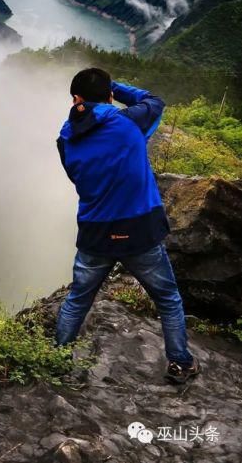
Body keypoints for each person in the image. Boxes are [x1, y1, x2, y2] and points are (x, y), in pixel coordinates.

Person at [55, 67, 200, 384]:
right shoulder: (130, 122)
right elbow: (155, 100)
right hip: (140, 231)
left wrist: (96, 95)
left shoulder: (65, 141)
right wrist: (115, 88)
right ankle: (180, 363)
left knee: (78, 300)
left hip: (95, 233)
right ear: (108, 96)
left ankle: (56, 361)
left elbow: (76, 177)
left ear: (76, 99)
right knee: (168, 299)